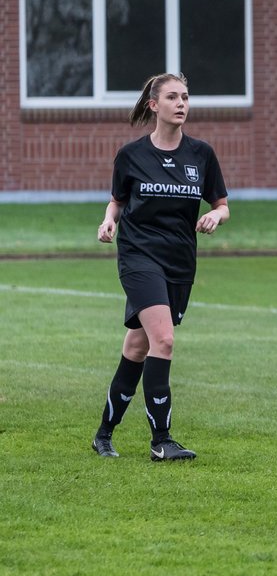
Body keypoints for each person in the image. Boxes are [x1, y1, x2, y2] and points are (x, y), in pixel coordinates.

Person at [93, 73, 229, 461]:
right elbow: (117, 200)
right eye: (172, 97)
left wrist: (216, 217)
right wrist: (109, 220)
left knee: (137, 346)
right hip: (138, 257)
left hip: (180, 262)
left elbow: (221, 203)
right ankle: (161, 441)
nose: (181, 103)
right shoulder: (131, 155)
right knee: (163, 340)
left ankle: (104, 433)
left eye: (185, 96)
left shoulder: (201, 154)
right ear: (155, 105)